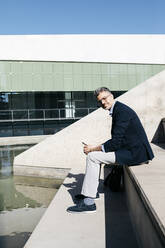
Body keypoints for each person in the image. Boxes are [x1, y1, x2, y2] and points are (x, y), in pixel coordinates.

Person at [67, 87, 154, 214]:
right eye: (100, 101)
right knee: (95, 155)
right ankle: (91, 192)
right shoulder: (119, 109)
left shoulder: (122, 112)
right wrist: (95, 148)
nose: (103, 102)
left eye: (104, 98)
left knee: (92, 157)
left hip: (135, 154)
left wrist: (92, 148)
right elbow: (117, 140)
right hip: (131, 149)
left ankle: (89, 203)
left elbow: (115, 142)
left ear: (112, 96)